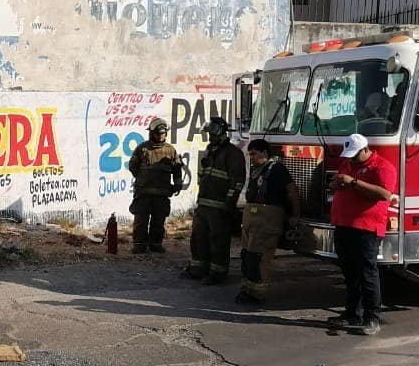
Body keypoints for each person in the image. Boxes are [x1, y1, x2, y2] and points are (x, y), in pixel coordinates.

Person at [327, 134, 396, 336]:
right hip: (343, 225)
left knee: (367, 273)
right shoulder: (347, 165)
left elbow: (384, 194)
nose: (351, 159)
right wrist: (337, 185)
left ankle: (371, 317)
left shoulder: (382, 167)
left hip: (366, 228)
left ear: (365, 150)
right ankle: (351, 313)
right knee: (350, 273)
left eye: (354, 155)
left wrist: (353, 182)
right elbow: (341, 183)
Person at [235, 140, 301, 306]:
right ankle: (247, 289)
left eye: (254, 154)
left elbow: (292, 191)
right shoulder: (257, 170)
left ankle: (257, 294)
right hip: (251, 217)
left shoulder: (277, 169)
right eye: (250, 154)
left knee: (259, 257)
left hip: (267, 218)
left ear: (264, 153)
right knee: (247, 255)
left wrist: (295, 215)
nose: (252, 158)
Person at [183, 117, 246, 284]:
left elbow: (237, 181)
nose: (210, 137)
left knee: (218, 240)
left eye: (212, 134)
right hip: (204, 204)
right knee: (198, 237)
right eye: (209, 134)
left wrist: (229, 203)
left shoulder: (233, 154)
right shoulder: (210, 151)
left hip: (219, 206)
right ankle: (198, 268)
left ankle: (217, 273)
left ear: (222, 133)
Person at [126, 118, 182, 253]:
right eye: (158, 133)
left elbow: (177, 169)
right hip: (143, 193)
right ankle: (139, 245)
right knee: (141, 220)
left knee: (158, 221)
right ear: (152, 133)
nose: (161, 136)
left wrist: (177, 185)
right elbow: (132, 166)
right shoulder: (142, 149)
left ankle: (155, 244)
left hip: (161, 194)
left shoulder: (170, 151)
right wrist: (142, 179)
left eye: (163, 133)